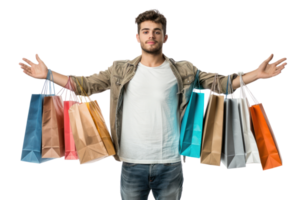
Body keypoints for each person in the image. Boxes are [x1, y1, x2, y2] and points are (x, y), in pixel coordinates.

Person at [17, 7, 288, 200]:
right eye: (145, 31)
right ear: (136, 37)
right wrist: (48, 75)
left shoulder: (185, 70)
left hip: (171, 163)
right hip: (130, 162)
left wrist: (256, 74)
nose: (151, 36)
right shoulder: (118, 69)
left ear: (166, 37)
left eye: (157, 31)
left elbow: (220, 82)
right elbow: (84, 84)